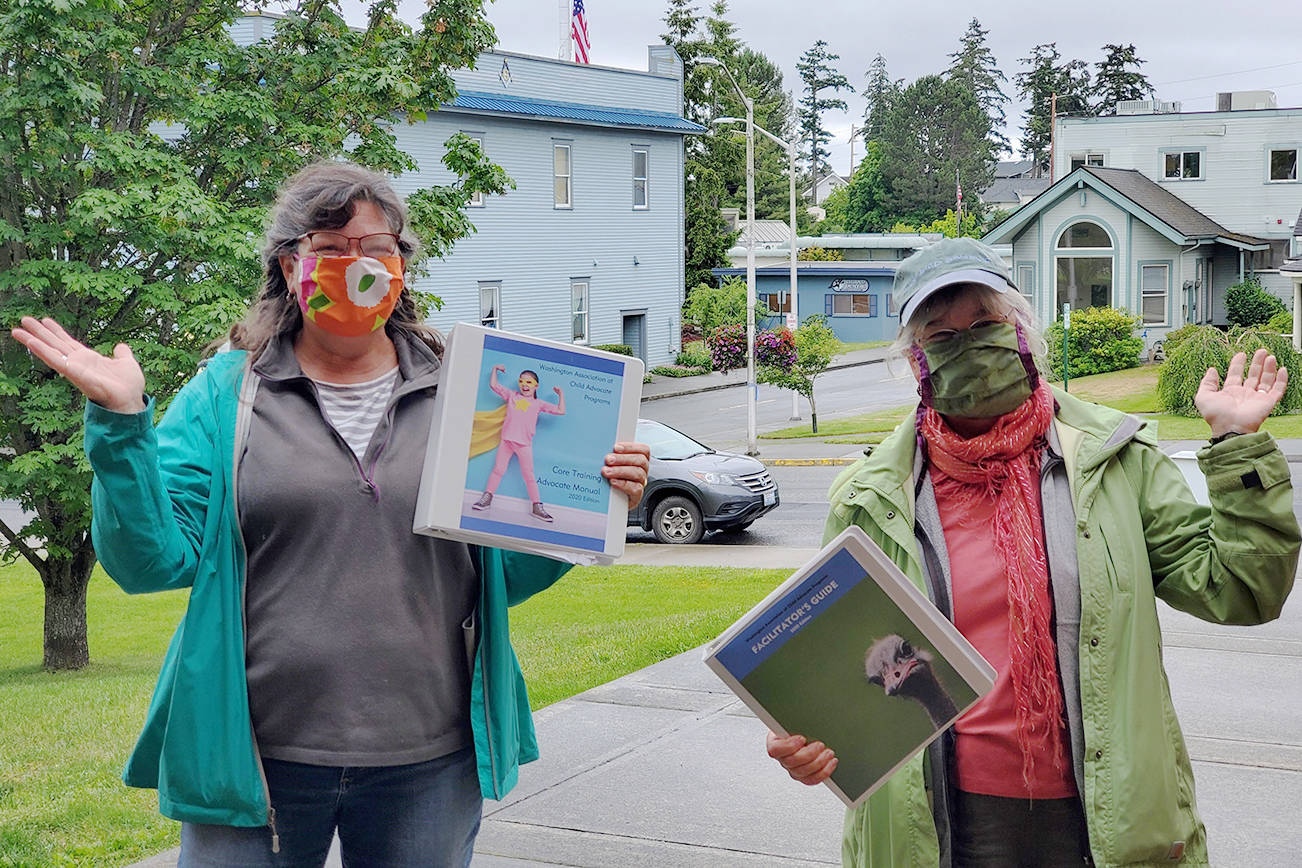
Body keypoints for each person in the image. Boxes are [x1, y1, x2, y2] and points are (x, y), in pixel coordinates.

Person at [11, 161, 650, 867]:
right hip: (253, 756)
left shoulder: (461, 389)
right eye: (330, 249)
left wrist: (593, 497)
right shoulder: (226, 395)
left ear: (402, 265)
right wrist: (120, 422)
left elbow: (499, 571)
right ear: (291, 267)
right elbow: (148, 562)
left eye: (377, 249)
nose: (357, 268)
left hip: (427, 762)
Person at [764, 237, 1299, 868]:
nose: (968, 345)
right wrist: (812, 745)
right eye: (941, 334)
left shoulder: (1112, 462)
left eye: (985, 324)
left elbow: (1241, 590)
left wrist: (1236, 445)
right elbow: (834, 668)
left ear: (1022, 332)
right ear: (915, 361)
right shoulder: (870, 498)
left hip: (1105, 817)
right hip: (944, 828)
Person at [472, 365, 565, 522]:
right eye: (521, 381)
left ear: (536, 386)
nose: (524, 385)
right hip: (507, 441)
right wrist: (494, 369)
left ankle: (537, 507)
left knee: (529, 476)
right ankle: (487, 498)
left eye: (529, 382)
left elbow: (561, 410)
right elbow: (494, 385)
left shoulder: (539, 404)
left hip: (524, 445)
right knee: (498, 470)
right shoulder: (512, 396)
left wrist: (561, 394)